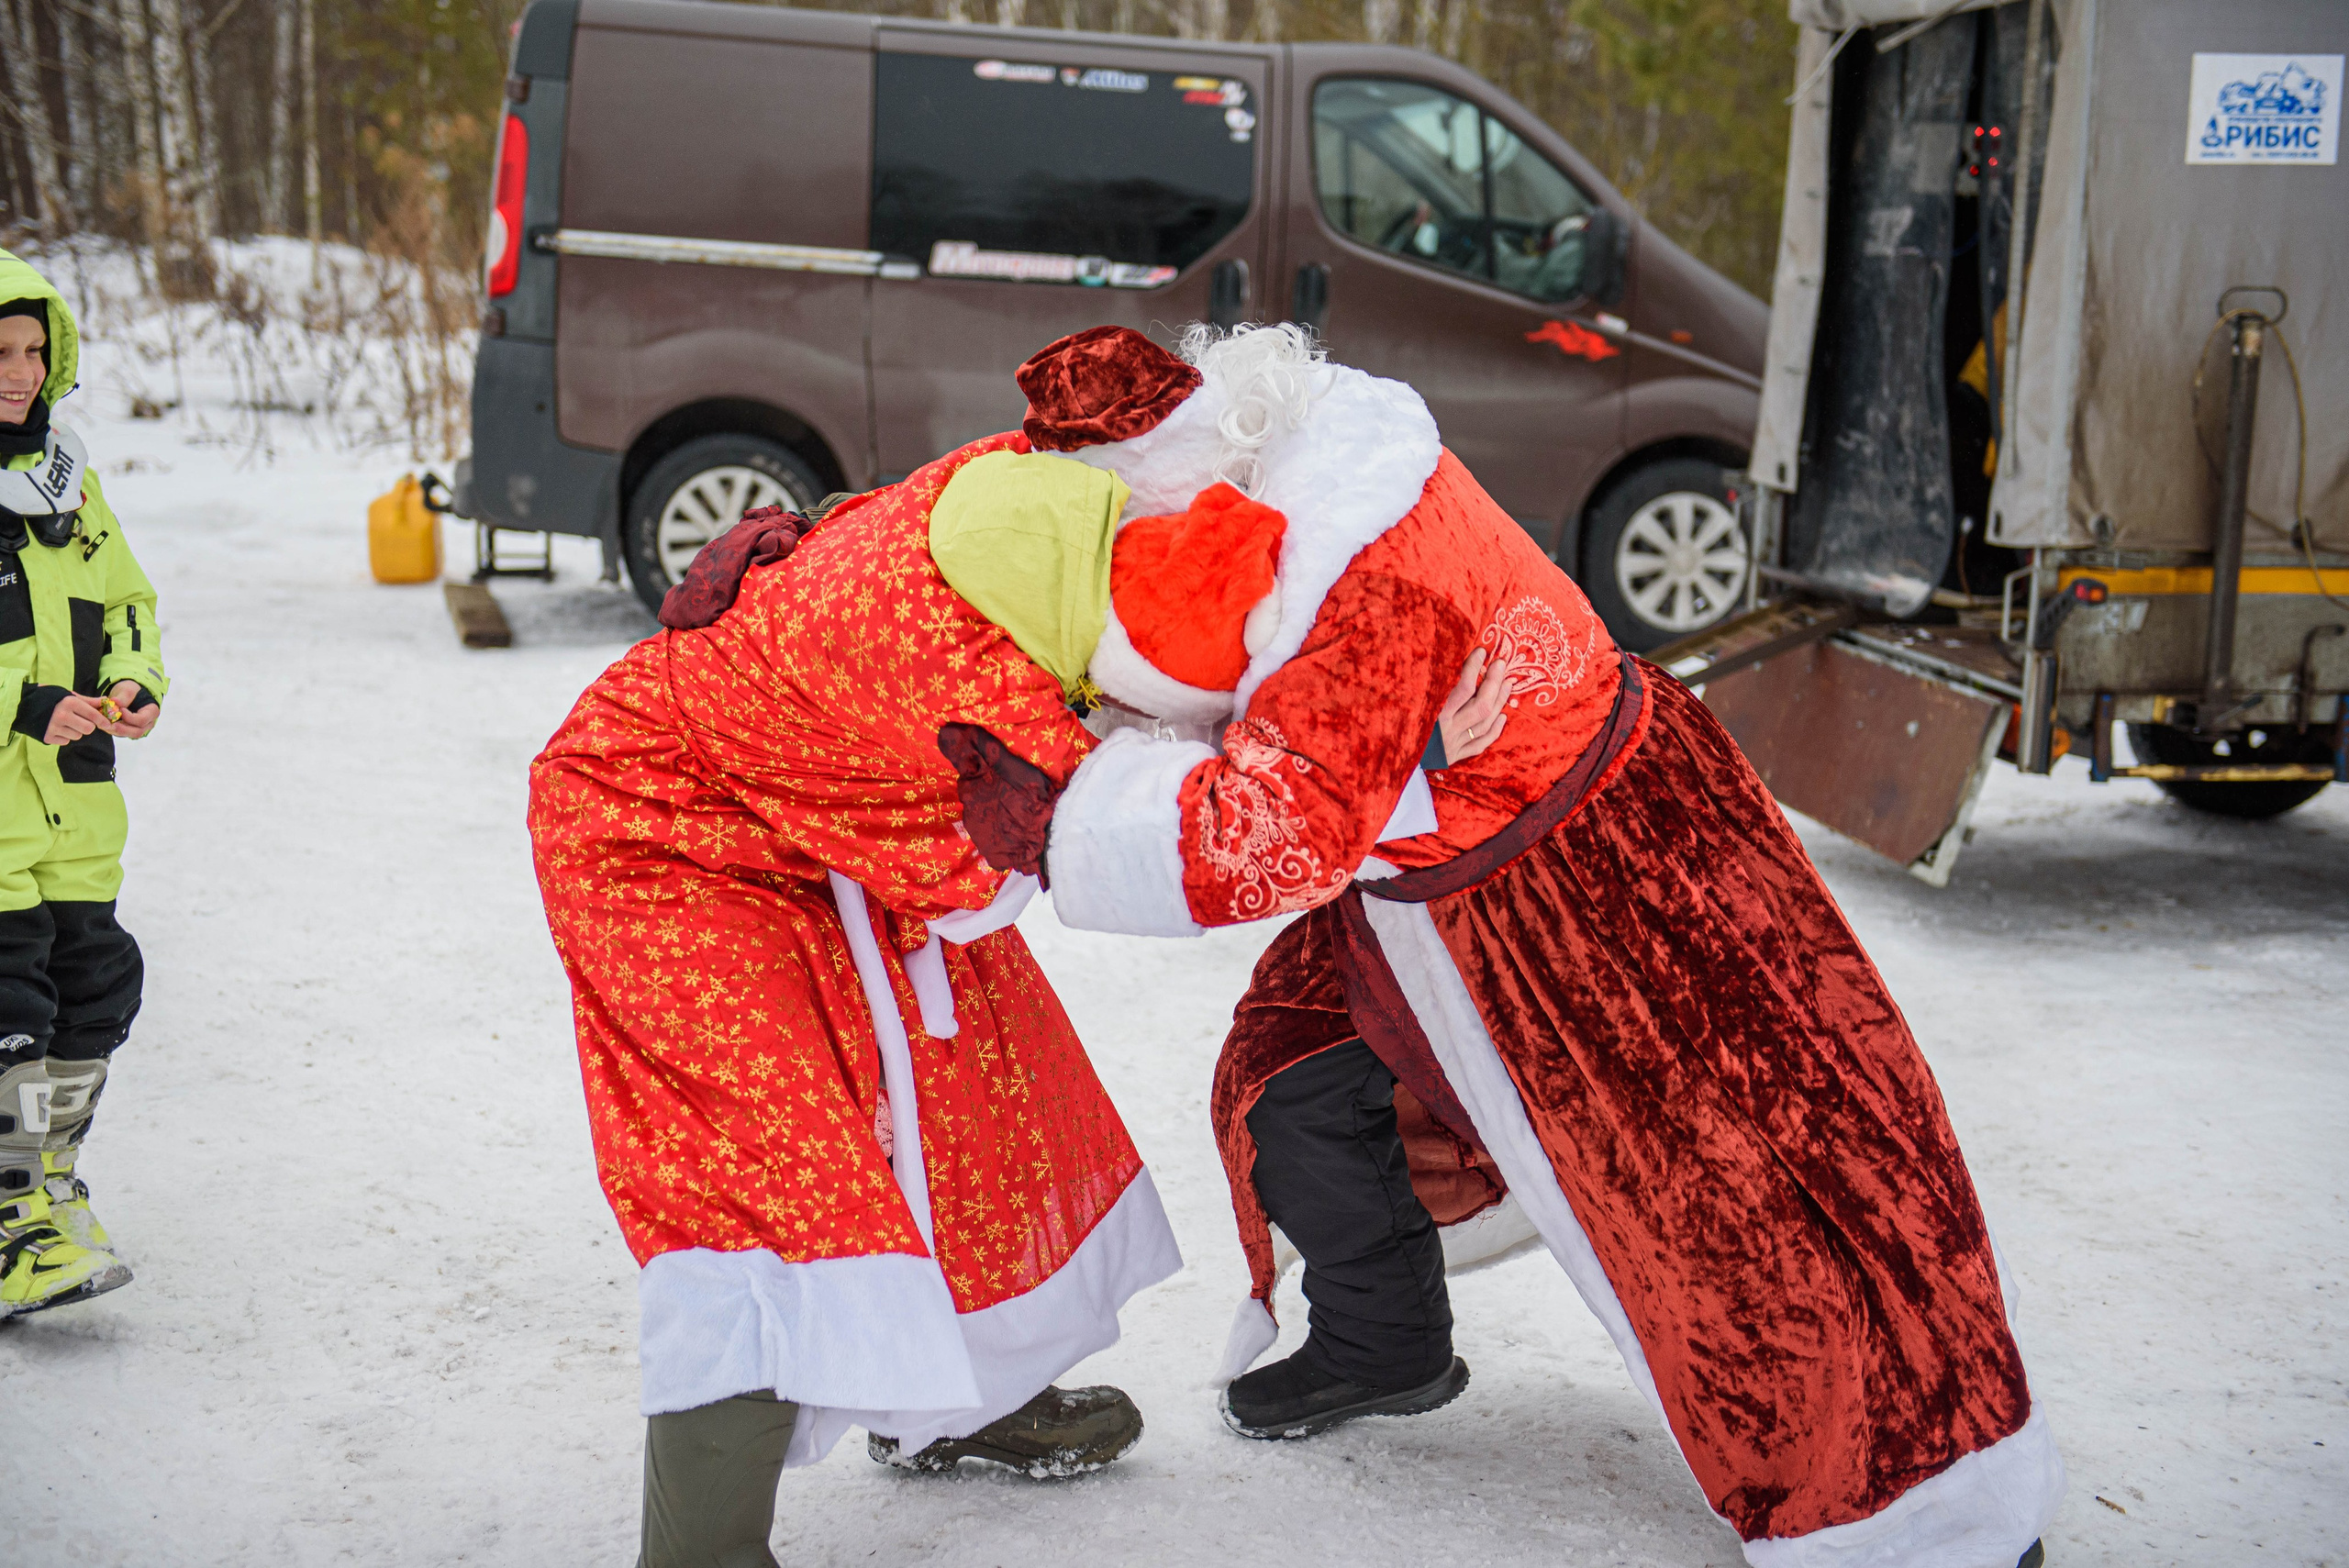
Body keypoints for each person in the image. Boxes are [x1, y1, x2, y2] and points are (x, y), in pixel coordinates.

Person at [957, 323, 2064, 1568]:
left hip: (1586, 888)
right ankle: (1382, 1340)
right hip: (1431, 869)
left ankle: (1909, 1509)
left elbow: (1277, 830)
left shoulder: (1348, 560)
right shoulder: (1273, 478)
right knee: (1288, 1077)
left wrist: (1063, 827)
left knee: (1738, 1202)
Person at [526, 438, 1183, 1566]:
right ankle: (702, 1549)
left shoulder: (1038, 516)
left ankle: (958, 1395)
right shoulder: (926, 660)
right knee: (767, 1172)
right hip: (662, 833)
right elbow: (1001, 873)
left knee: (974, 1082)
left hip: (818, 812)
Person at [0, 250, 168, 1320]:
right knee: (9, 1008)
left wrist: (130, 679)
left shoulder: (70, 480)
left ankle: (45, 1179)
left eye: (30, 350)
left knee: (96, 985)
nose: (16, 371)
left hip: (78, 802)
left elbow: (130, 599)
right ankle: (11, 1217)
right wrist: (23, 701)